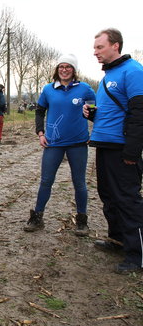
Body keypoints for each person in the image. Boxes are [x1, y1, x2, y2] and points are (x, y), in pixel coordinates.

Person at [84, 28, 143, 274]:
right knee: (108, 195)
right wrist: (94, 113)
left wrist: (131, 152)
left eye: (99, 47)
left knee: (127, 200)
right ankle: (117, 240)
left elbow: (139, 114)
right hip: (105, 144)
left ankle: (137, 255)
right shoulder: (109, 75)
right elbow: (116, 110)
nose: (95, 51)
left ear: (115, 46)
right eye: (95, 47)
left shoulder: (133, 72)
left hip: (122, 148)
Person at [24, 54, 96, 236]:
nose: (64, 69)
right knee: (46, 181)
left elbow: (96, 113)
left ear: (74, 70)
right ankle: (37, 217)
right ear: (57, 69)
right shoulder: (48, 89)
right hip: (53, 143)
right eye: (61, 66)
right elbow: (39, 112)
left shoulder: (85, 90)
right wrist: (40, 133)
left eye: (68, 67)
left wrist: (94, 133)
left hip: (78, 144)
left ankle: (82, 220)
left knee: (79, 182)